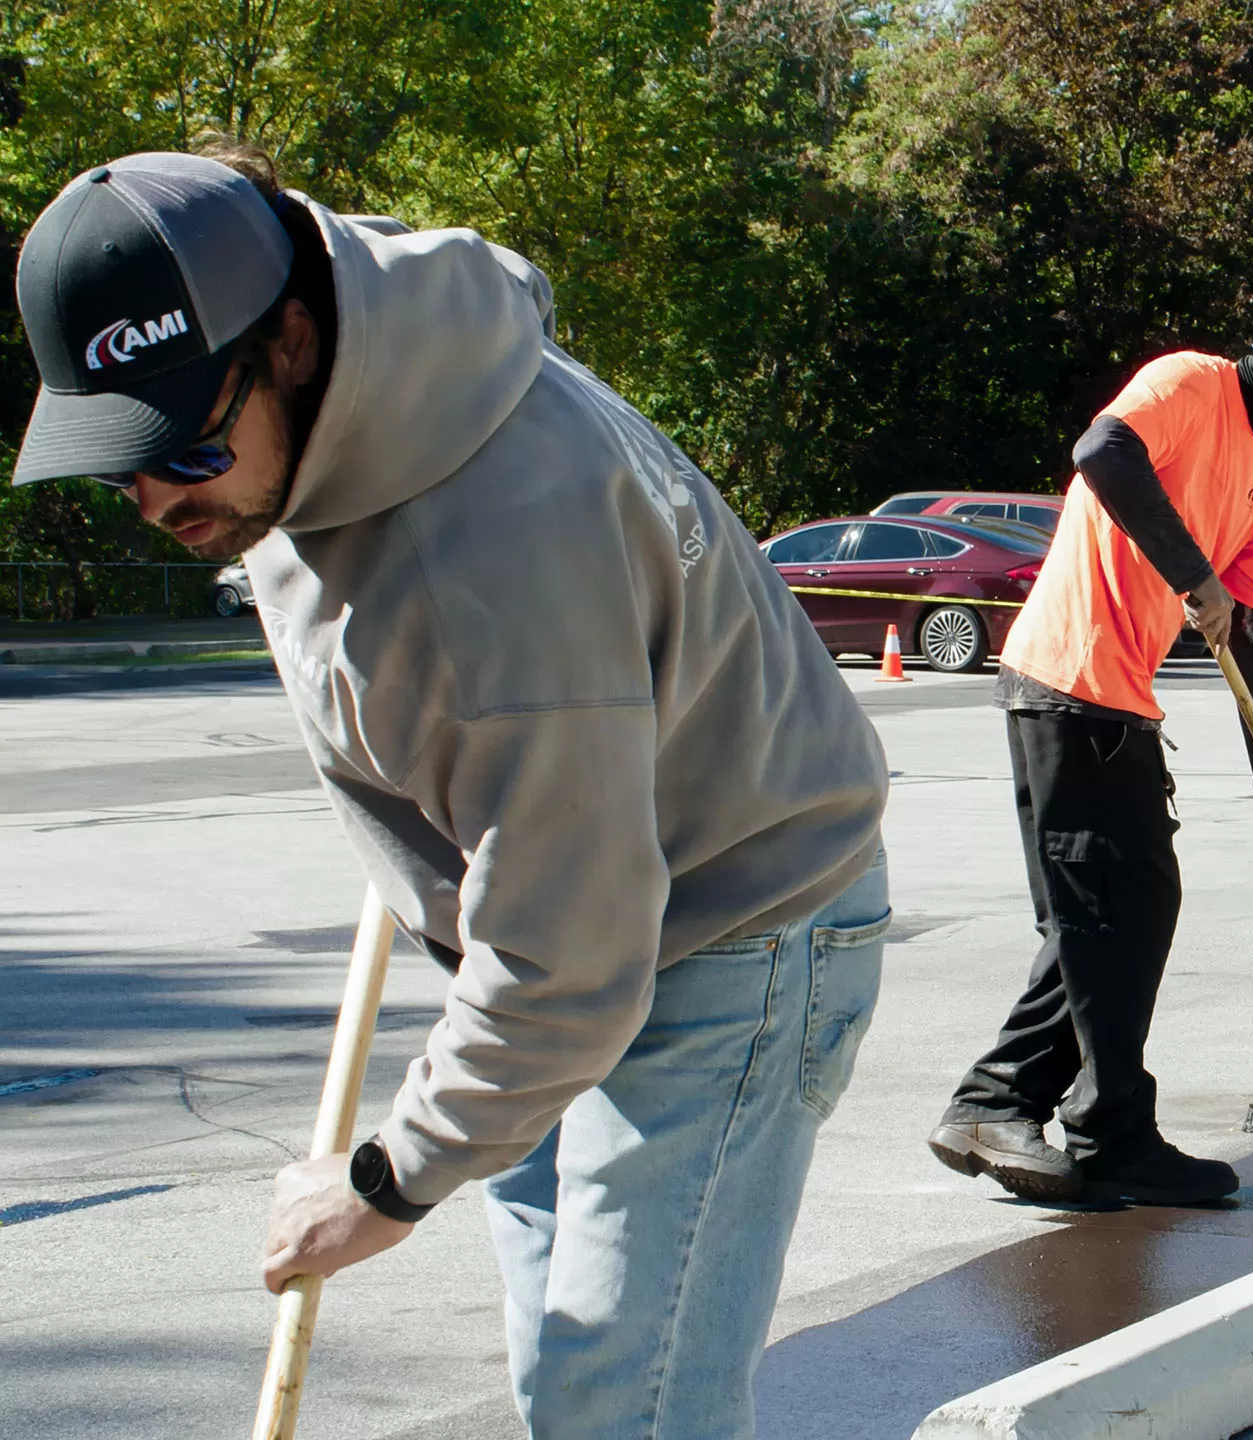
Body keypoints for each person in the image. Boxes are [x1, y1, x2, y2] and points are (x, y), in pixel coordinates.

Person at [10, 144, 891, 1435]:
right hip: (565, 909)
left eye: (187, 452)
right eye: (115, 459)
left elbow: (569, 961)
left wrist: (381, 1179)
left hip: (730, 926)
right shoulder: (361, 344)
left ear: (295, 343)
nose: (151, 498)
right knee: (565, 1381)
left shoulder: (493, 555)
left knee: (618, 1408)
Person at [928, 300, 1253, 1206]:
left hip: (1118, 699)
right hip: (1067, 681)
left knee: (1116, 914)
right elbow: (1102, 453)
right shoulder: (1191, 383)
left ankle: (1031, 1110)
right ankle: (1081, 1123)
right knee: (1111, 914)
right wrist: (1194, 572)